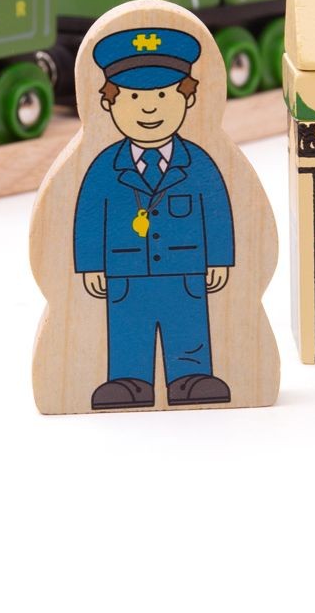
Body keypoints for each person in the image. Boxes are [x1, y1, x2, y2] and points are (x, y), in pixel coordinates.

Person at [73, 26, 234, 410]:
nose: (149, 108)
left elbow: (218, 210)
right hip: (126, 272)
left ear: (187, 98)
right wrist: (90, 264)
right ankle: (128, 381)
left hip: (185, 269)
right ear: (109, 102)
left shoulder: (199, 163)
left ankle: (191, 378)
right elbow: (88, 215)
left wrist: (220, 258)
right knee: (129, 325)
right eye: (132, 96)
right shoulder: (103, 167)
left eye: (163, 95)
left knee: (188, 322)